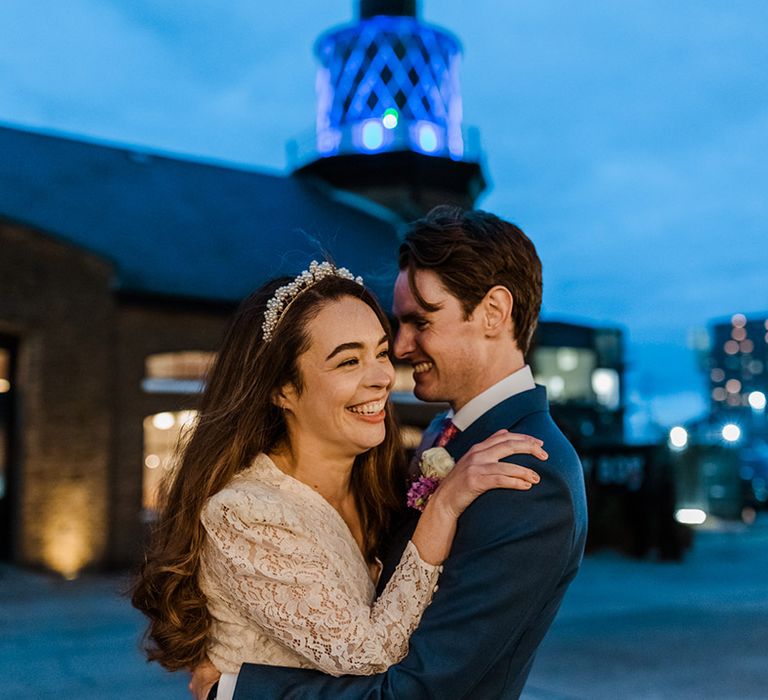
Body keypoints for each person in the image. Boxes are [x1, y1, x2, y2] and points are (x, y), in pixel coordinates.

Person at [197, 207, 589, 699]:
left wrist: (238, 689)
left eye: (419, 321)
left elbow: (420, 689)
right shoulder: (442, 439)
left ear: (493, 312)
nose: (401, 350)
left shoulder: (526, 471)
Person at [131, 261, 545, 690]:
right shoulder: (246, 513)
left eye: (381, 353)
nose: (383, 377)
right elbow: (368, 656)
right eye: (348, 361)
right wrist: (442, 507)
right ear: (282, 389)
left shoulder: (377, 486)